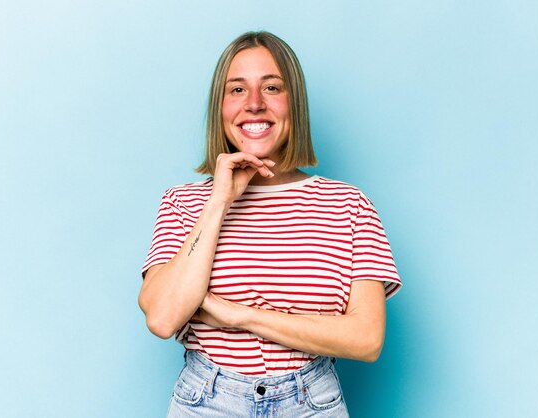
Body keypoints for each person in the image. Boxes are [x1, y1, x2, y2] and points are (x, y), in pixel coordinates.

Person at [138, 31, 402, 417]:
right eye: (237, 90)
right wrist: (219, 202)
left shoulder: (348, 204)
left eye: (272, 87)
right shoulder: (183, 202)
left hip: (312, 403)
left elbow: (366, 339)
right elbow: (162, 316)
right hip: (207, 402)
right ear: (220, 107)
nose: (255, 105)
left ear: (294, 103)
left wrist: (238, 315)